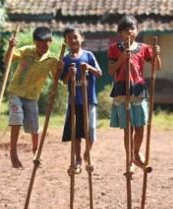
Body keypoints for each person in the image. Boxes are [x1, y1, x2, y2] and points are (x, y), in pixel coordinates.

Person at [108, 15, 162, 168]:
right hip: (121, 90)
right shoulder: (114, 48)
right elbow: (111, 70)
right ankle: (129, 158)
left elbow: (156, 67)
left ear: (137, 31)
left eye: (132, 29)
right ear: (121, 33)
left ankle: (136, 152)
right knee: (128, 128)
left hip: (138, 90)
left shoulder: (144, 48)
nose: (129, 32)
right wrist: (121, 59)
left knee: (140, 126)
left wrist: (157, 54)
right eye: (125, 30)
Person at [6, 26, 60, 168]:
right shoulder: (26, 51)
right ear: (34, 42)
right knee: (16, 117)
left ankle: (36, 151)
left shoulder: (52, 60)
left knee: (34, 126)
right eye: (39, 44)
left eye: (45, 44)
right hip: (16, 92)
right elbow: (8, 60)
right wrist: (10, 48)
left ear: (51, 42)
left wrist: (61, 69)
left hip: (32, 96)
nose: (42, 47)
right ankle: (13, 152)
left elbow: (57, 78)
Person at [60, 27, 102, 172]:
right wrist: (70, 74)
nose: (73, 40)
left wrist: (88, 68)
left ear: (81, 38)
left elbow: (99, 73)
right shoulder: (65, 59)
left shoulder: (88, 55)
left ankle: (87, 153)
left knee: (90, 130)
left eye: (75, 37)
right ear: (65, 41)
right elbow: (64, 81)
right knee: (76, 133)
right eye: (69, 38)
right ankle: (77, 158)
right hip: (74, 102)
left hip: (89, 101)